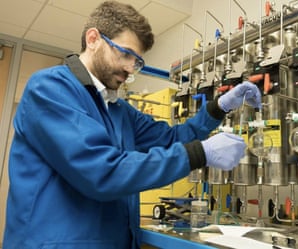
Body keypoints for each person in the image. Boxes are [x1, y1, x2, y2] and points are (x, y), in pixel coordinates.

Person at [2, 1, 261, 249]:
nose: (130, 69)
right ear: (93, 39)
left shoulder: (118, 109)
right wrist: (200, 153)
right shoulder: (50, 88)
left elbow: (172, 138)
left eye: (136, 61)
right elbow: (102, 172)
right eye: (125, 54)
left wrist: (219, 107)